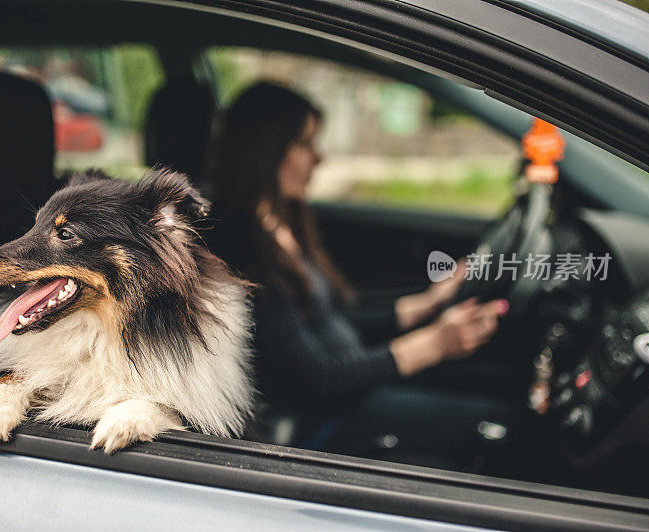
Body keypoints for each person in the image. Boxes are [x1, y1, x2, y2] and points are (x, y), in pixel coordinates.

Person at [209, 82, 508, 449]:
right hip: (323, 423)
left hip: (353, 393)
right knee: (497, 425)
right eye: (304, 145)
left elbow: (333, 319)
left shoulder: (283, 227)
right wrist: (434, 343)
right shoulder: (244, 254)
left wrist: (425, 305)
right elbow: (318, 376)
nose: (319, 159)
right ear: (266, 152)